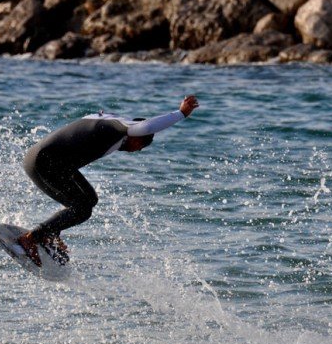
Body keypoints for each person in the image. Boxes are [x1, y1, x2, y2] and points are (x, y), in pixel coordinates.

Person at [18, 95, 200, 266]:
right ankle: (31, 238)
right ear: (137, 139)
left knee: (89, 199)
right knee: (82, 209)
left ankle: (49, 234)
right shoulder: (119, 127)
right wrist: (181, 113)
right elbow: (146, 127)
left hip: (52, 163)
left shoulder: (108, 125)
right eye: (141, 146)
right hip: (43, 163)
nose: (136, 151)